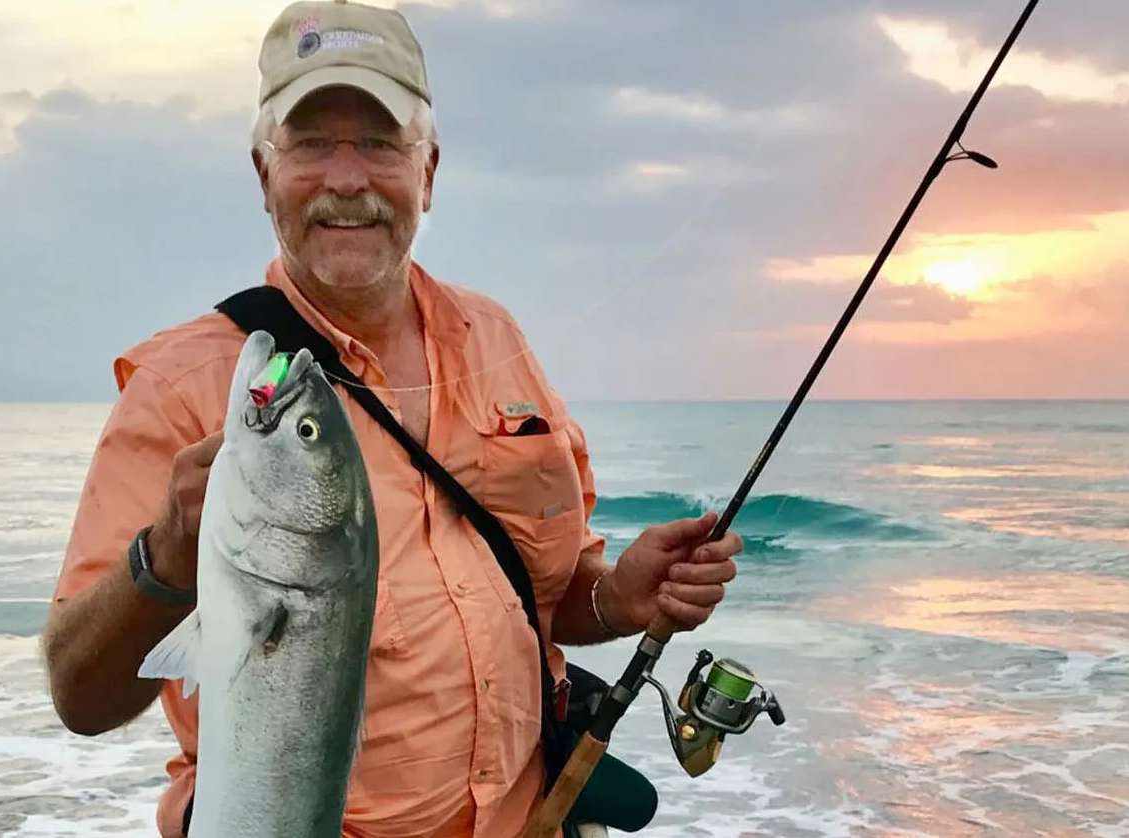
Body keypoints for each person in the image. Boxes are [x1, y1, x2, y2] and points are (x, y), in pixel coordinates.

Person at [39, 1, 744, 836]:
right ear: (265, 176)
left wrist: (619, 598)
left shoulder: (496, 338)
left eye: (379, 144)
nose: (347, 179)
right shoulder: (186, 384)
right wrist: (163, 560)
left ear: (429, 173)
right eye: (311, 144)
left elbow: (546, 599)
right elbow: (80, 696)